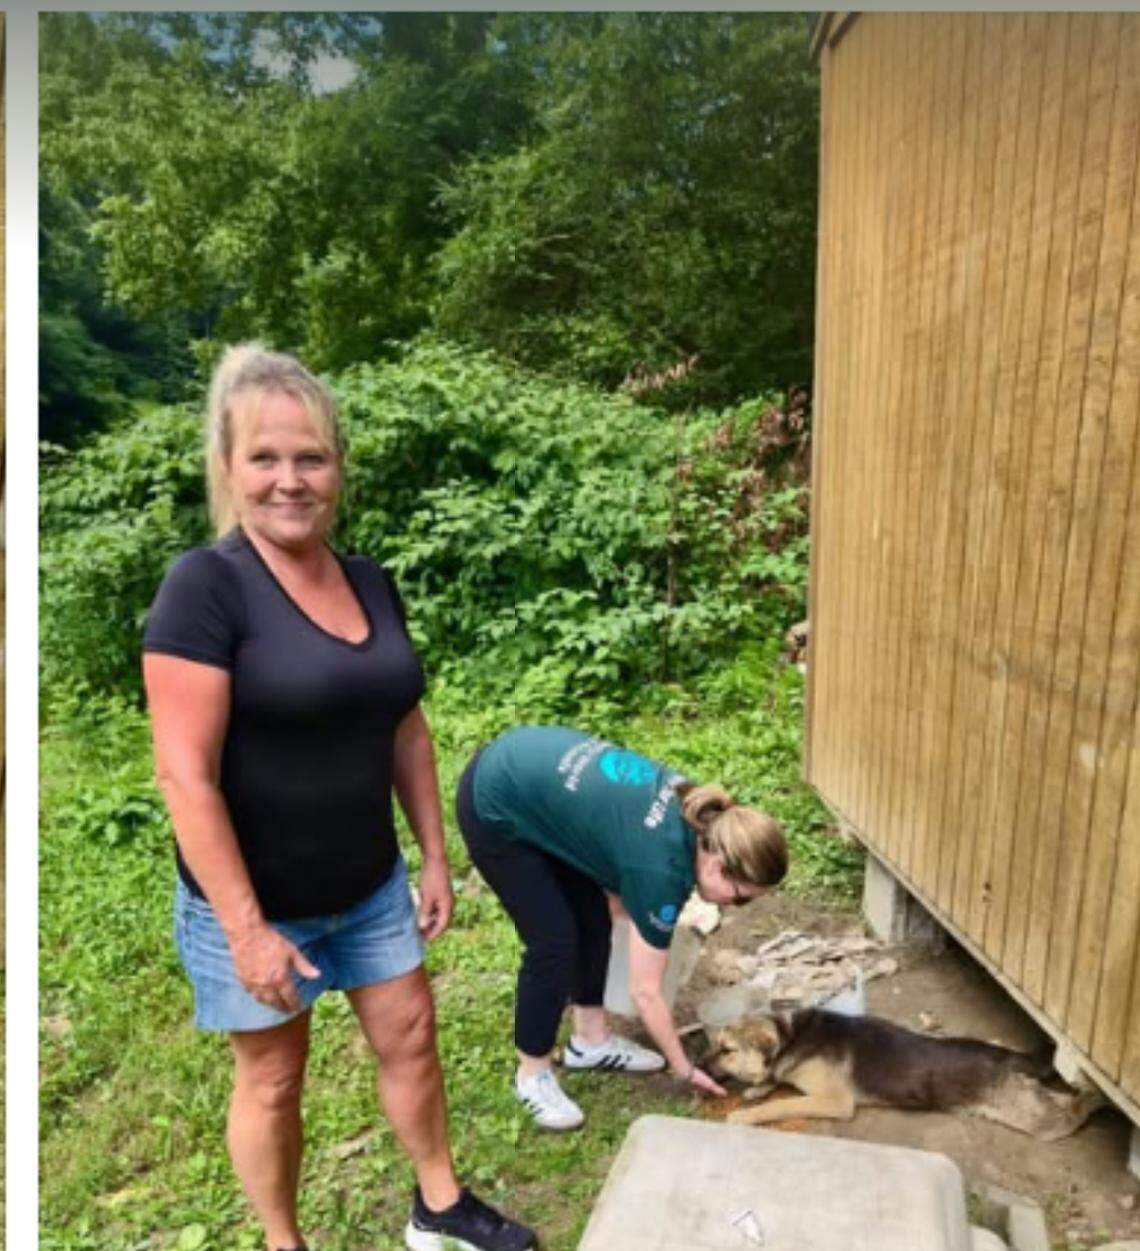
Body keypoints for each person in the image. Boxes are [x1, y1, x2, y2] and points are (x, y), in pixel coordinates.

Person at [142, 344, 535, 1251]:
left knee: (411, 1034)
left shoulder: (368, 580)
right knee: (275, 1079)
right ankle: (285, 1242)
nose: (291, 480)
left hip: (366, 885)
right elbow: (184, 775)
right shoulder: (203, 589)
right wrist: (246, 929)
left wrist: (434, 855)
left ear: (338, 468)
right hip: (253, 903)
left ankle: (438, 1205)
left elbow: (406, 727)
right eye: (266, 458)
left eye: (311, 457)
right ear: (231, 469)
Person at [455, 726, 789, 1131]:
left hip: (532, 770)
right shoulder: (660, 870)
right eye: (741, 897)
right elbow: (645, 993)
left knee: (592, 916)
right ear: (718, 865)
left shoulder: (706, 816)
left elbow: (617, 858)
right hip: (496, 800)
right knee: (553, 942)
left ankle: (590, 1042)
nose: (735, 907)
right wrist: (683, 1067)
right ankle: (532, 1074)